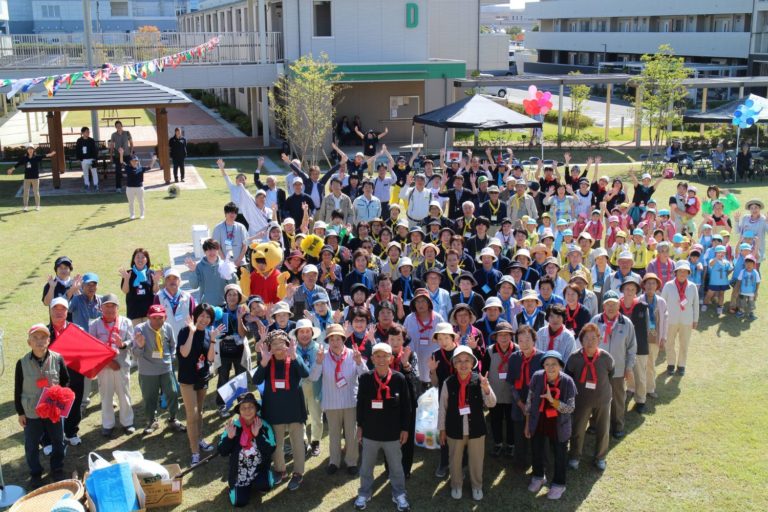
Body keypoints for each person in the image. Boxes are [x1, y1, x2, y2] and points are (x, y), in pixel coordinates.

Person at [354, 343, 412, 512]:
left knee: (396, 467)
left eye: (384, 356)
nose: (381, 359)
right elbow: (361, 404)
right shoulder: (365, 378)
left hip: (393, 434)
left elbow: (406, 407)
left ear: (391, 358)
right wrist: (360, 426)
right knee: (366, 466)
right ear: (372, 359)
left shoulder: (399, 378)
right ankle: (364, 492)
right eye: (377, 356)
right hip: (370, 432)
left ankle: (399, 493)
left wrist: (405, 429)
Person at [253, 329, 310, 491]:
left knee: (297, 443)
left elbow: (305, 373)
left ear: (288, 345)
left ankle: (298, 473)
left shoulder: (293, 359)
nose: (278, 346)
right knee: (276, 444)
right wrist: (264, 361)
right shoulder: (267, 361)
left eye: (282, 343)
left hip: (294, 409)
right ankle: (280, 470)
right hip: (274, 410)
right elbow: (256, 380)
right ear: (269, 347)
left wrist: (294, 356)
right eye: (274, 343)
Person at [438, 345, 496, 501]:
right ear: (454, 364)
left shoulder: (480, 380)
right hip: (454, 428)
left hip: (476, 429)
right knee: (455, 459)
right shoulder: (448, 382)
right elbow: (442, 408)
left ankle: (477, 486)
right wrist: (442, 429)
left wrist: (486, 389)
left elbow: (491, 404)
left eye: (467, 361)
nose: (463, 364)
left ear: (472, 363)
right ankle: (456, 485)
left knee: (476, 460)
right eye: (459, 361)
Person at [14, 323, 69, 487]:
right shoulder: (21, 363)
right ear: (29, 342)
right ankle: (36, 473)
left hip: (53, 411)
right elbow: (18, 389)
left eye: (43, 337)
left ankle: (57, 469)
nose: (39, 341)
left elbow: (66, 381)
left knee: (58, 441)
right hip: (32, 412)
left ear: (49, 340)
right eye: (35, 338)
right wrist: (20, 413)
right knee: (31, 445)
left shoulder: (58, 359)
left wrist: (59, 396)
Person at [309, 323, 368, 476]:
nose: (335, 342)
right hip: (331, 402)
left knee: (351, 434)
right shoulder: (323, 356)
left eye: (338, 339)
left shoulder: (353, 354)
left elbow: (365, 377)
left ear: (343, 339)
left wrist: (359, 362)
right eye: (331, 339)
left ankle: (352, 462)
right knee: (334, 434)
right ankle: (334, 462)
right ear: (328, 341)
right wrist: (319, 362)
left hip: (350, 401)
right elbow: (313, 377)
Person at [525, 350, 577, 501]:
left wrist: (552, 401)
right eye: (547, 364)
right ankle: (538, 476)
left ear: (561, 366)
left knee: (560, 454)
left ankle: (559, 484)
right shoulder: (537, 377)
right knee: (537, 450)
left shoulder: (567, 382)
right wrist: (527, 424)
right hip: (539, 420)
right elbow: (529, 401)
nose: (550, 367)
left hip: (559, 424)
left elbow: (570, 408)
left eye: (554, 364)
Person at [177, 304, 223, 464]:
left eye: (208, 317)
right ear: (195, 316)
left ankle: (199, 438)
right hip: (187, 379)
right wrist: (191, 331)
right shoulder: (185, 331)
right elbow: (184, 352)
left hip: (202, 377)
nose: (204, 319)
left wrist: (212, 340)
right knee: (192, 414)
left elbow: (210, 359)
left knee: (200, 412)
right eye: (202, 316)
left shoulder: (208, 334)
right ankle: (195, 451)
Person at [132, 305, 185, 435]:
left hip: (166, 368)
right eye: (154, 318)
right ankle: (151, 421)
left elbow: (173, 345)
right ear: (149, 317)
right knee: (150, 397)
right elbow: (136, 354)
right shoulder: (140, 329)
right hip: (147, 371)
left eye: (160, 318)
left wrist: (171, 356)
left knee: (173, 393)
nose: (157, 321)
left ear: (165, 317)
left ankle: (173, 418)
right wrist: (140, 346)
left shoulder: (167, 327)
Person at [590, 290, 637, 438]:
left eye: (614, 304)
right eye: (608, 304)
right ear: (603, 306)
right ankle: (594, 424)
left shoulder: (626, 323)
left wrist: (629, 367)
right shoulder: (595, 321)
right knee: (596, 397)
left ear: (619, 305)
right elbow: (586, 343)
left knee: (618, 399)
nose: (611, 307)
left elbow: (631, 348)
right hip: (598, 369)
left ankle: (618, 425)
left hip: (618, 369)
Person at [217, 393, 276, 508]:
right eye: (243, 407)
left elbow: (271, 449)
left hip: (259, 469)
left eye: (251, 406)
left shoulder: (263, 425)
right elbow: (222, 451)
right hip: (240, 474)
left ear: (256, 408)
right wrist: (229, 438)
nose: (247, 410)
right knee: (239, 502)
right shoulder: (233, 426)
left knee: (265, 486)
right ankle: (236, 488)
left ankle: (259, 481)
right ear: (239, 410)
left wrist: (258, 435)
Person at [88, 293, 135, 437]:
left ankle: (127, 422)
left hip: (122, 365)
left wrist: (123, 344)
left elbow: (132, 341)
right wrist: (108, 362)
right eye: (106, 307)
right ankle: (108, 424)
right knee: (106, 395)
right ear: (100, 308)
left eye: (112, 307)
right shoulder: (95, 324)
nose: (109, 310)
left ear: (118, 308)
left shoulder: (126, 322)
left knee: (124, 394)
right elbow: (91, 346)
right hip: (104, 367)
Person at [290, 319, 323, 457]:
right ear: (297, 334)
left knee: (317, 417)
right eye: (301, 332)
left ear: (312, 332)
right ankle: (303, 441)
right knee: (299, 417)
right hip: (298, 388)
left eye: (307, 331)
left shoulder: (319, 348)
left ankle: (315, 441)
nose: (305, 335)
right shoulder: (291, 349)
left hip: (315, 387)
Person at [661, 260, 699, 376]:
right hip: (670, 320)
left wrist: (695, 319)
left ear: (688, 273)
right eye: (680, 271)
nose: (682, 274)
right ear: (676, 272)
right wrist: (662, 320)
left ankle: (682, 365)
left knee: (684, 343)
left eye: (685, 271)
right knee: (669, 343)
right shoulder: (668, 285)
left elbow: (696, 304)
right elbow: (662, 303)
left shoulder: (692, 287)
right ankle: (671, 364)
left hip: (686, 320)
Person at [486, 322, 516, 457]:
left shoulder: (517, 350)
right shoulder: (489, 351)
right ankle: (498, 443)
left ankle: (511, 444)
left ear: (511, 336)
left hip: (511, 394)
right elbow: (484, 371)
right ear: (496, 337)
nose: (503, 338)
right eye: (500, 335)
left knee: (511, 420)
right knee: (495, 419)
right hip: (495, 393)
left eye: (507, 335)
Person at [185, 239, 237, 307]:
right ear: (204, 251)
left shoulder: (224, 265)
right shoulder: (199, 266)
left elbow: (233, 284)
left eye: (214, 249)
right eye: (209, 249)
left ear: (218, 250)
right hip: (206, 306)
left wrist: (230, 273)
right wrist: (192, 271)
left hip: (223, 304)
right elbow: (194, 286)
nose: (212, 252)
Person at [7, 143, 56, 211]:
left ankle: (37, 206)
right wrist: (11, 169)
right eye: (29, 149)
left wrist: (51, 154)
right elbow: (18, 164)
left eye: (31, 149)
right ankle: (25, 206)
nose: (30, 150)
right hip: (27, 178)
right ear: (27, 150)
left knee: (36, 192)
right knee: (26, 192)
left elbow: (44, 156)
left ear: (33, 150)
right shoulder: (24, 158)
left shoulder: (36, 157)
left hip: (35, 178)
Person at [119, 248, 161, 326]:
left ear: (147, 260)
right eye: (137, 257)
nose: (140, 260)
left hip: (149, 313)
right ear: (133, 259)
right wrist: (126, 279)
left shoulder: (152, 273)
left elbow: (156, 291)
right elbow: (125, 291)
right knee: (136, 337)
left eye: (143, 257)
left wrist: (155, 282)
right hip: (133, 313)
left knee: (149, 337)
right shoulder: (128, 273)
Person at [117, 148, 160, 220]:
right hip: (129, 188)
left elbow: (149, 167)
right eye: (133, 161)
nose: (134, 162)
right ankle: (132, 215)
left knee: (141, 201)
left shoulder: (141, 168)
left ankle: (142, 214)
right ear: (130, 162)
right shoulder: (127, 167)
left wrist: (153, 160)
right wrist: (121, 153)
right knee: (131, 203)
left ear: (137, 162)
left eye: (135, 161)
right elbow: (121, 162)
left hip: (139, 188)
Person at [153, 268, 196, 337]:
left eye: (175, 278)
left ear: (179, 281)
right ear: (165, 281)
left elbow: (194, 317)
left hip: (186, 339)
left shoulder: (188, 297)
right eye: (168, 279)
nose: (172, 281)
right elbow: (155, 320)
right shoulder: (158, 297)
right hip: (166, 339)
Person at [108, 120, 133, 192]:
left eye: (119, 126)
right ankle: (118, 187)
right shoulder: (113, 135)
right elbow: (112, 146)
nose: (118, 127)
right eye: (117, 126)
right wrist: (111, 156)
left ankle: (130, 186)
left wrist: (131, 152)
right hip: (117, 156)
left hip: (127, 155)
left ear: (122, 126)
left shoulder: (127, 133)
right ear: (115, 127)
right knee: (118, 171)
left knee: (129, 170)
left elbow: (131, 143)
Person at [76, 126, 99, 192]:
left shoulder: (91, 140)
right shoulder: (79, 141)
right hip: (84, 159)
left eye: (88, 132)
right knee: (85, 173)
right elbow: (77, 150)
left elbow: (95, 150)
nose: (88, 133)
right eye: (86, 132)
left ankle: (96, 184)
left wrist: (95, 158)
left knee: (94, 172)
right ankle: (86, 184)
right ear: (83, 133)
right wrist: (80, 159)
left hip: (91, 159)